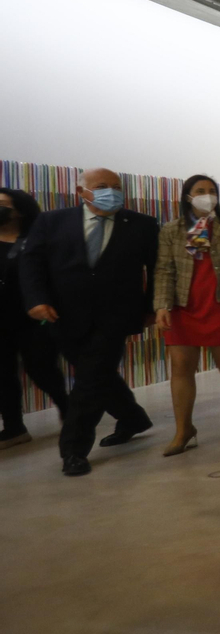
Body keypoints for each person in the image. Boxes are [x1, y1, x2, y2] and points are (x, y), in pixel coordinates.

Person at [18, 168, 160, 476]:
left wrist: (152, 308)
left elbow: (156, 269)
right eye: (103, 186)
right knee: (96, 374)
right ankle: (133, 417)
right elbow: (32, 262)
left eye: (116, 186)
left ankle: (73, 449)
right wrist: (36, 299)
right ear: (82, 192)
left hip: (116, 316)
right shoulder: (52, 221)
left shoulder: (143, 225)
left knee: (89, 381)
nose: (112, 191)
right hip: (62, 316)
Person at [153, 174, 220, 456]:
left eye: (212, 190)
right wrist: (161, 305)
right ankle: (183, 429)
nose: (207, 194)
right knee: (180, 367)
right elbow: (165, 269)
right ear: (188, 196)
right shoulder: (172, 229)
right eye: (200, 190)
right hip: (183, 305)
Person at [0, 188, 69, 448]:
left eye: (3, 204)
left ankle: (68, 409)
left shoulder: (35, 239)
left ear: (19, 210)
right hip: (1, 320)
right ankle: (14, 427)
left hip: (32, 318)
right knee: (3, 375)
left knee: (41, 368)